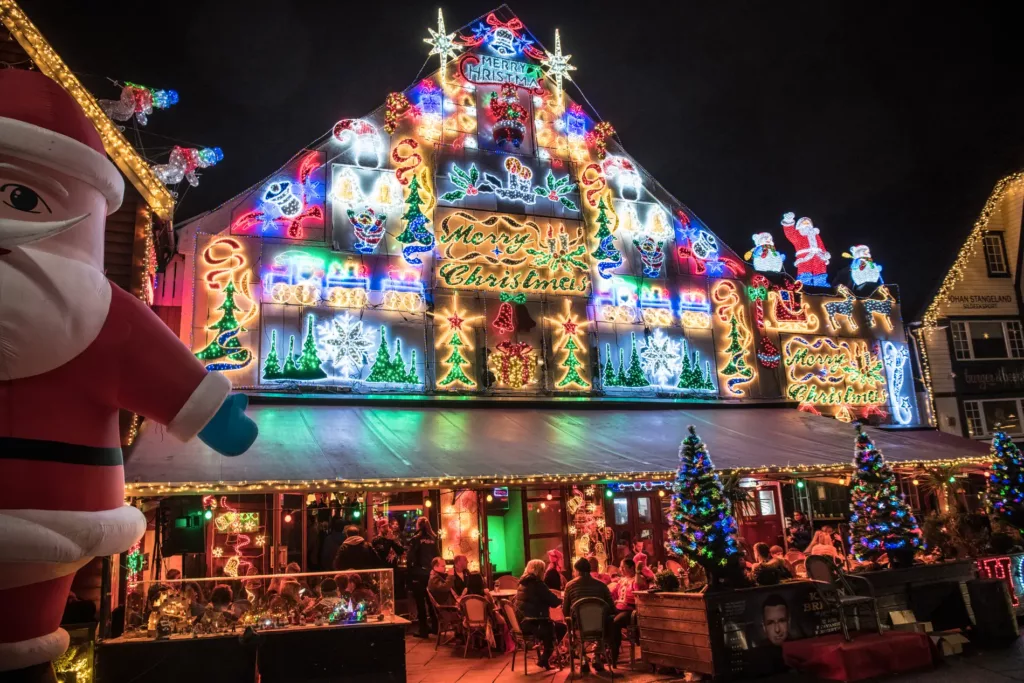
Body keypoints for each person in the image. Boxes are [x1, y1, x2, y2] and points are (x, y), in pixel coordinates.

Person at [562, 558, 615, 673]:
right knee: (605, 621)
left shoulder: (570, 586)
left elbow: (565, 610)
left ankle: (583, 658)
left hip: (579, 626)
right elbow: (611, 608)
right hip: (600, 626)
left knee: (571, 625)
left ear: (577, 571)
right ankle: (596, 656)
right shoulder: (602, 585)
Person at [514, 559, 565, 670]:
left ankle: (544, 658)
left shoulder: (522, 583)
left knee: (551, 627)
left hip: (522, 624)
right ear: (540, 571)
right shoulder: (538, 584)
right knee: (560, 628)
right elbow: (554, 602)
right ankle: (544, 658)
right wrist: (563, 601)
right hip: (534, 624)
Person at [407, 517, 440, 638]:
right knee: (431, 601)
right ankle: (436, 627)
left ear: (418, 525)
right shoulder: (433, 538)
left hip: (419, 574)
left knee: (420, 603)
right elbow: (437, 556)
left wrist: (410, 574)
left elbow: (411, 559)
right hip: (431, 574)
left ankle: (423, 629)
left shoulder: (416, 539)